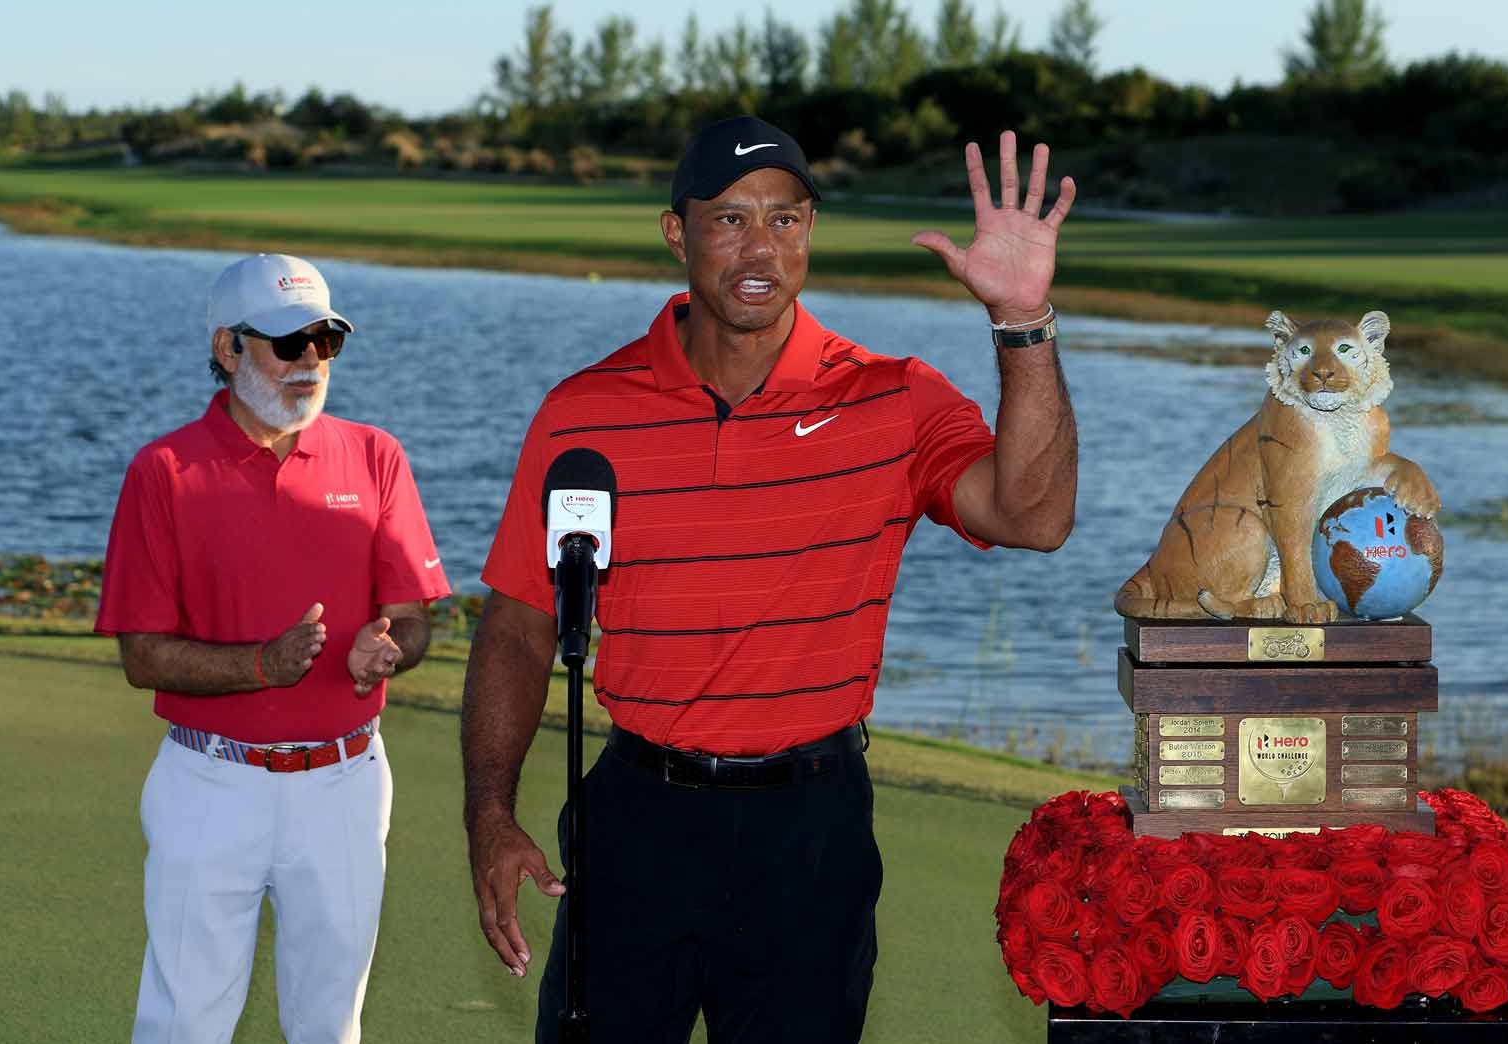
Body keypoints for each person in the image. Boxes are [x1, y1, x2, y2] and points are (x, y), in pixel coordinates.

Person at [461, 116, 1078, 1043]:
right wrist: (490, 815)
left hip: (809, 829)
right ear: (678, 233)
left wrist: (1021, 323)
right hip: (637, 817)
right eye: (732, 220)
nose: (763, 249)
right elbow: (515, 626)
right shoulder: (583, 414)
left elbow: (1035, 516)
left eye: (786, 220)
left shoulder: (892, 396)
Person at [96, 253, 451, 1043]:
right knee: (185, 1022)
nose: (312, 363)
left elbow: (414, 617)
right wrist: (263, 664)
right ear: (229, 349)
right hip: (209, 785)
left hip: (347, 785)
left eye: (326, 341)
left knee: (331, 1026)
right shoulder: (163, 471)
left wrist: (390, 648)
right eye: (290, 344)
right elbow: (142, 654)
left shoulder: (376, 456)